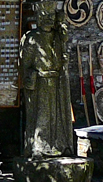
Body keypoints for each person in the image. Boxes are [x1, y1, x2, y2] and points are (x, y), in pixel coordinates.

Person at [19, 15, 74, 158]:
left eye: (51, 15)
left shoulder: (58, 38)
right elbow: (25, 63)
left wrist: (64, 61)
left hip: (56, 82)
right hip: (41, 82)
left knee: (58, 115)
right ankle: (38, 146)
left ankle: (60, 145)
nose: (49, 20)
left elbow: (61, 59)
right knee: (41, 115)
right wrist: (31, 76)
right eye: (45, 15)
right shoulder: (32, 38)